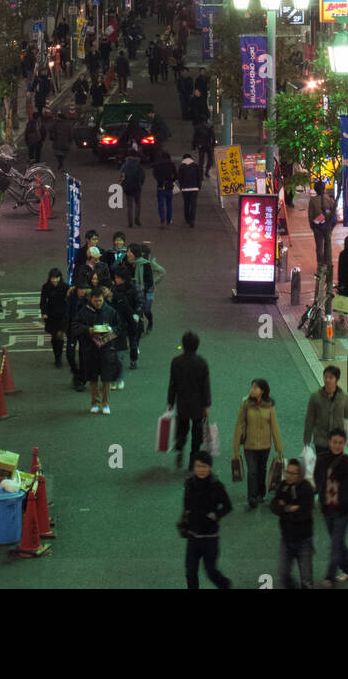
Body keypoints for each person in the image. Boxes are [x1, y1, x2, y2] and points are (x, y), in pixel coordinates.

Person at [179, 450, 233, 591]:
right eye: (198, 466)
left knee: (211, 572)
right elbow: (187, 506)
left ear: (210, 467)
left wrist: (216, 514)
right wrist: (185, 520)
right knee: (190, 572)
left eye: (204, 467)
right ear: (194, 467)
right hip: (193, 536)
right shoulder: (189, 484)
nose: (201, 470)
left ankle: (225, 585)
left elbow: (228, 506)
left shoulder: (217, 486)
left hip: (210, 537)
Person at [316, 429, 348, 585]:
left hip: (342, 509)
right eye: (334, 442)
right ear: (329, 442)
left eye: (340, 443)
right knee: (338, 541)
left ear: (344, 444)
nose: (337, 445)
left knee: (336, 543)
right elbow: (318, 478)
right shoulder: (321, 460)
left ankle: (330, 577)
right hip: (327, 507)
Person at [232, 378, 284, 509]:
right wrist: (236, 447)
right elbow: (239, 424)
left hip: (265, 445)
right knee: (252, 470)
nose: (252, 390)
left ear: (262, 391)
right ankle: (252, 496)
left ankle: (260, 492)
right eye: (251, 387)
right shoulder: (246, 404)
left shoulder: (269, 405)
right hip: (249, 444)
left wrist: (279, 448)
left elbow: (274, 427)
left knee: (262, 469)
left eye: (255, 388)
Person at [167, 330, 212, 469]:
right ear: (197, 346)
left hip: (182, 402)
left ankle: (180, 449)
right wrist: (206, 405)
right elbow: (206, 386)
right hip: (197, 404)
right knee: (197, 432)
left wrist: (171, 401)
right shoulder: (202, 363)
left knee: (182, 428)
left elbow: (172, 383)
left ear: (183, 344)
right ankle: (193, 459)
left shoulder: (176, 362)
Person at [271, 459, 315, 590]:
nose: (289, 475)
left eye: (293, 473)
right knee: (284, 574)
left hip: (304, 540)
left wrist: (284, 508)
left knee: (306, 580)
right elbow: (273, 506)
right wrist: (289, 509)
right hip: (286, 538)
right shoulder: (283, 486)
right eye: (287, 472)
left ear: (300, 474)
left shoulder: (307, 489)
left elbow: (303, 514)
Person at [76, 287, 121, 413]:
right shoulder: (84, 312)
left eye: (100, 301)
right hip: (91, 349)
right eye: (96, 301)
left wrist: (111, 332)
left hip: (106, 349)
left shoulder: (110, 311)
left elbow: (119, 327)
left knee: (107, 378)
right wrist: (88, 330)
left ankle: (105, 403)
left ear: (103, 299)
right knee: (93, 378)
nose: (98, 303)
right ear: (91, 299)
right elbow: (76, 326)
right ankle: (94, 402)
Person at [303, 365, 348, 456]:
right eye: (325, 377)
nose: (327, 380)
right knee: (322, 466)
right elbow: (309, 419)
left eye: (330, 377)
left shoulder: (344, 398)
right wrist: (306, 440)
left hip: (338, 441)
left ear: (336, 379)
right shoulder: (315, 397)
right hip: (321, 440)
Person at [111, 263, 141, 379]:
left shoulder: (132, 289)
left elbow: (139, 302)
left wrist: (136, 315)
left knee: (133, 341)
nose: (115, 279)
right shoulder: (115, 289)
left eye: (117, 277)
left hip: (131, 317)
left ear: (122, 278)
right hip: (121, 319)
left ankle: (133, 359)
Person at [130, 241, 164, 331]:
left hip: (149, 290)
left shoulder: (150, 263)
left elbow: (162, 272)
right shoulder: (135, 262)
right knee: (138, 307)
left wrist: (153, 282)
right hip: (138, 289)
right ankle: (140, 327)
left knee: (146, 309)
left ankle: (150, 321)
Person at [39, 267, 69, 367]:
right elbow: (43, 302)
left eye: (56, 278)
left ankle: (59, 358)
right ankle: (56, 356)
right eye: (52, 278)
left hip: (62, 315)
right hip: (51, 315)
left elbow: (68, 302)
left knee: (59, 335)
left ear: (60, 278)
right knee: (53, 336)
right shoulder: (46, 287)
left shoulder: (65, 287)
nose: (54, 280)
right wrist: (44, 312)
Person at [65, 275, 90, 389]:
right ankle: (76, 371)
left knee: (83, 355)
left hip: (84, 330)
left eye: (84, 289)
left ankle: (81, 378)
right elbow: (66, 315)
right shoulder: (70, 299)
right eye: (81, 288)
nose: (82, 291)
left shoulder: (88, 300)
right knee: (70, 354)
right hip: (73, 330)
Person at [308, 179, 337, 271]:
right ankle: (326, 262)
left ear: (315, 190)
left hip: (317, 227)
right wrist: (332, 226)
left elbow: (310, 215)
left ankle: (320, 264)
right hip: (328, 226)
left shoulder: (312, 201)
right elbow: (334, 215)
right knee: (327, 244)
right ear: (324, 189)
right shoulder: (329, 199)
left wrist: (312, 226)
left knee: (319, 246)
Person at [119, 150, 147, 227]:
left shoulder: (125, 165)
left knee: (129, 206)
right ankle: (137, 219)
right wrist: (140, 183)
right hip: (137, 187)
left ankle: (130, 222)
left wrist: (122, 184)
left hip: (127, 187)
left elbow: (121, 176)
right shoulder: (138, 165)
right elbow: (143, 176)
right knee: (138, 204)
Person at [152, 148, 177, 227]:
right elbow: (176, 175)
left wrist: (159, 180)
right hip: (169, 186)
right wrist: (171, 180)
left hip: (160, 186)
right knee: (169, 204)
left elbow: (154, 174)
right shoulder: (171, 164)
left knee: (161, 204)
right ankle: (169, 220)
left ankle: (162, 220)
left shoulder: (158, 164)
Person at [177, 152, 202, 228]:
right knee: (193, 205)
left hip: (185, 189)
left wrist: (181, 186)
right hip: (194, 189)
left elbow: (180, 178)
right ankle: (192, 220)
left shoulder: (182, 167)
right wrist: (198, 186)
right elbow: (199, 178)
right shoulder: (195, 166)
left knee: (186, 204)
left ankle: (187, 219)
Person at [48, 107, 74, 171]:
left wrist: (52, 137)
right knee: (64, 154)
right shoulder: (68, 125)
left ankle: (60, 164)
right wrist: (70, 140)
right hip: (65, 142)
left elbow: (50, 130)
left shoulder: (55, 124)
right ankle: (61, 164)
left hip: (57, 142)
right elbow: (71, 133)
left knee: (58, 154)